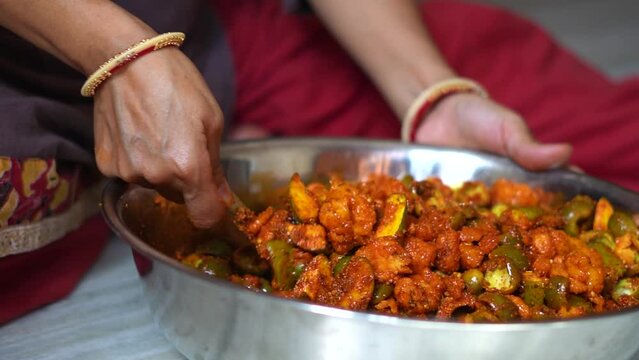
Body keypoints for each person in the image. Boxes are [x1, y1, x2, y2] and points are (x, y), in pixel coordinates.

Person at [0, 0, 636, 323]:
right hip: (31, 60)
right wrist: (117, 53)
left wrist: (429, 94)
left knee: (594, 130)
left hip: (211, 31)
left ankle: (254, 124)